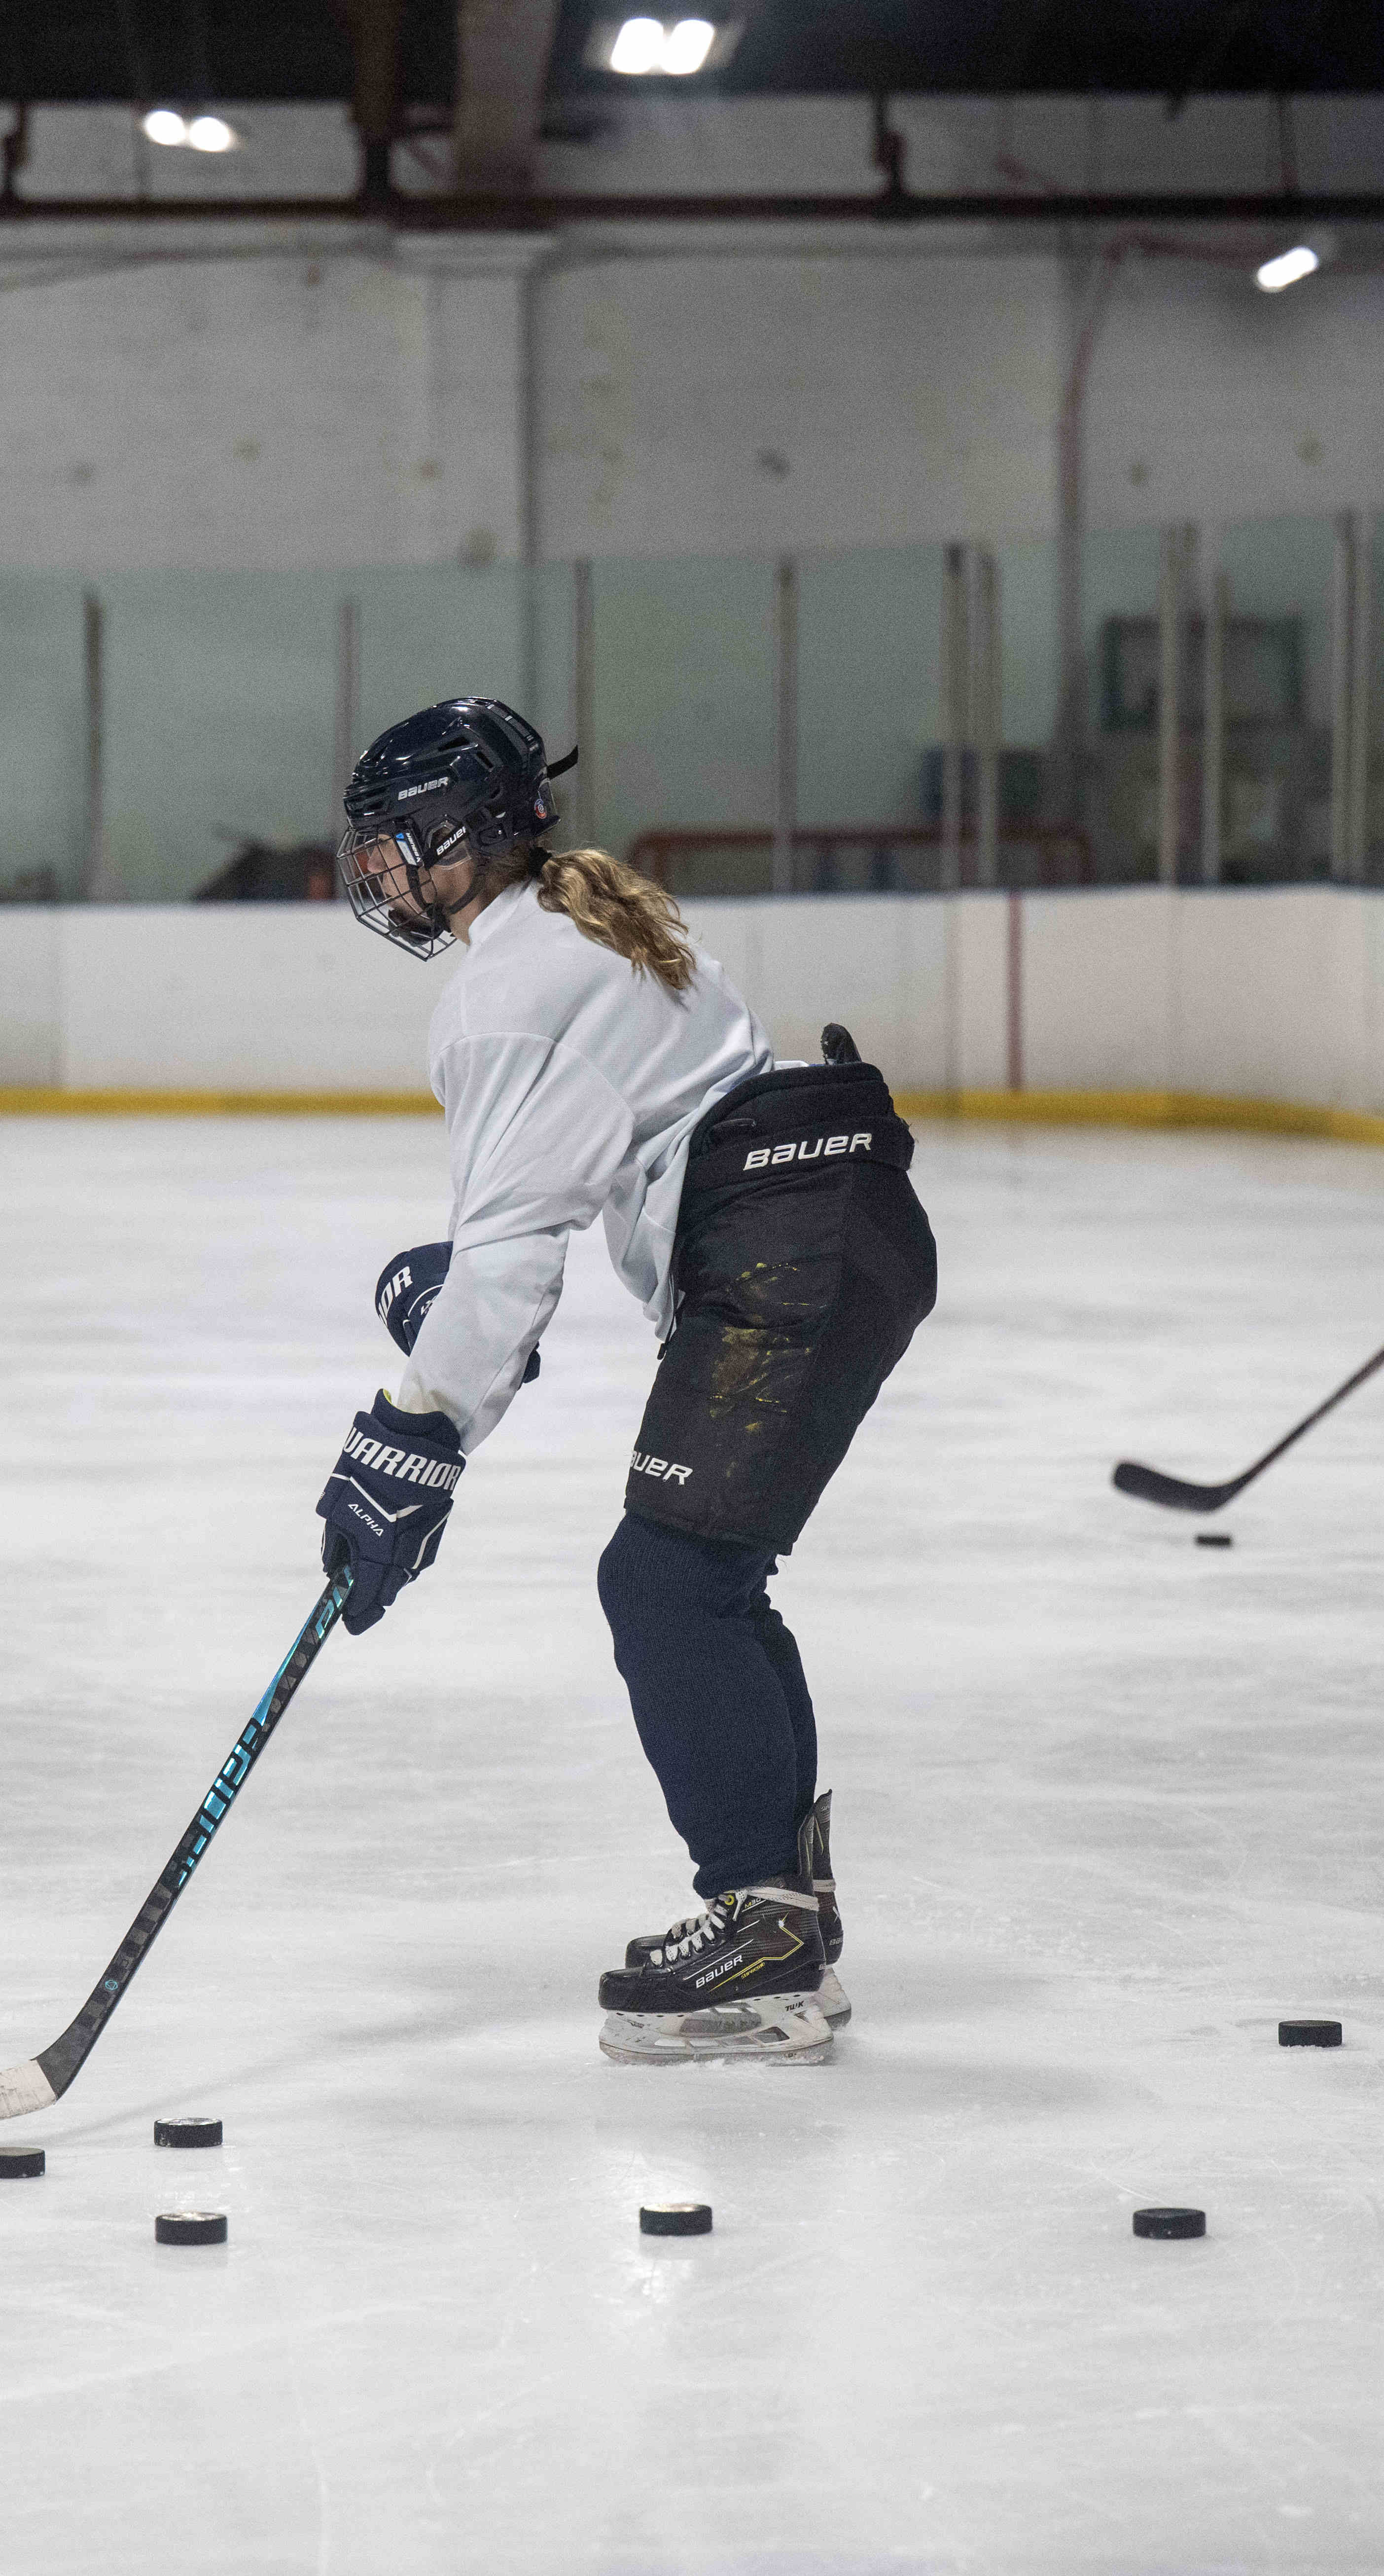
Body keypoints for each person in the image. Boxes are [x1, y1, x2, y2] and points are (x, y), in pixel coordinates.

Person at [314, 699, 936, 2067]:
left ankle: (762, 1926)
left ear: (460, 834)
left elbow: (506, 1279)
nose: (377, 875)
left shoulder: (502, 990)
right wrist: (462, 1307)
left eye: (392, 846)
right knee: (701, 1574)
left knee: (663, 1580)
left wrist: (405, 1440)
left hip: (792, 1250)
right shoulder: (588, 924)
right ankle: (785, 1910)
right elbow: (536, 1221)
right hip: (829, 1230)